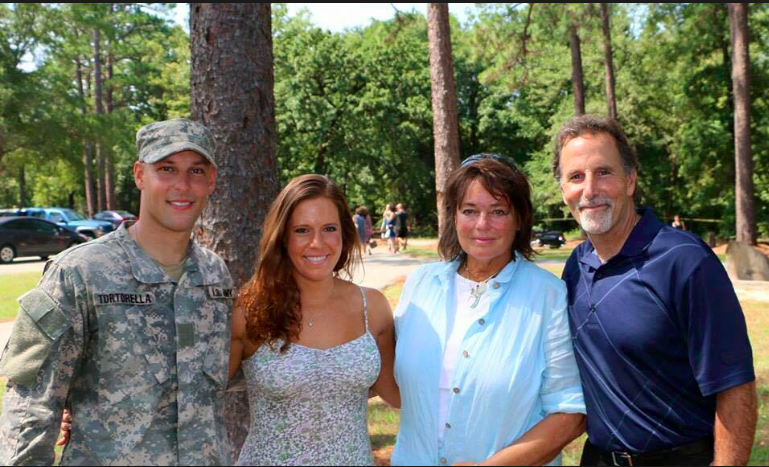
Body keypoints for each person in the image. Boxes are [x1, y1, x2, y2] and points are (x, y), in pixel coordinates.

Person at [0, 119, 234, 465]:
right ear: (140, 175)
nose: (182, 185)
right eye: (166, 169)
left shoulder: (217, 277)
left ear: (211, 181)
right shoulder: (78, 273)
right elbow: (30, 406)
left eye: (196, 171)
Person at [553, 115, 757, 466]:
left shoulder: (685, 261)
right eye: (576, 177)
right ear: (563, 191)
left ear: (630, 180)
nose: (589, 190)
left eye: (603, 172)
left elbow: (735, 386)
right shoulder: (575, 266)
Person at [392, 154, 586, 466]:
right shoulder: (420, 285)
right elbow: (396, 382)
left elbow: (570, 412)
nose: (482, 225)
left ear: (519, 219)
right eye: (470, 210)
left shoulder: (548, 296)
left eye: (498, 211)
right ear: (454, 216)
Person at [228, 174, 400, 466]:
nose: (317, 243)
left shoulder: (372, 308)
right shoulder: (250, 310)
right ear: (282, 237)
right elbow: (199, 396)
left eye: (329, 229)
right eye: (302, 230)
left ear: (345, 234)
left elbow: (398, 396)